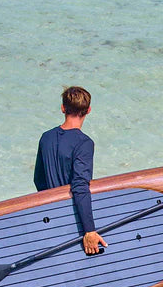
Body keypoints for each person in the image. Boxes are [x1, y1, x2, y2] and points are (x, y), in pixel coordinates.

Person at [33, 86, 108, 255]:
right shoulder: (84, 143)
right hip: (74, 218)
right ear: (88, 110)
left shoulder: (46, 137)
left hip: (52, 215)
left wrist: (51, 206)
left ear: (62, 108)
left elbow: (38, 179)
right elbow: (80, 185)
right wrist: (89, 230)